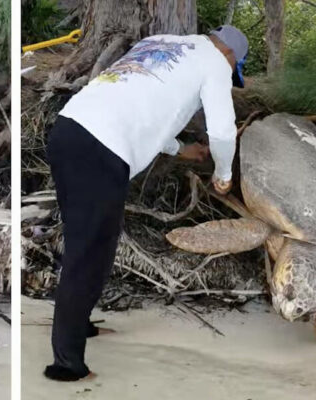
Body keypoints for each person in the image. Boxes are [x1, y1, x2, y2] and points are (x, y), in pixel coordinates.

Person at [44, 25, 249, 381]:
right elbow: (222, 131)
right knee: (88, 252)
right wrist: (223, 174)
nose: (229, 74)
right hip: (101, 150)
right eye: (234, 71)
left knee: (93, 243)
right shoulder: (215, 63)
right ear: (230, 56)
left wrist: (180, 149)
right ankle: (66, 365)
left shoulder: (160, 42)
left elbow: (142, 109)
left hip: (69, 130)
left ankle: (80, 325)